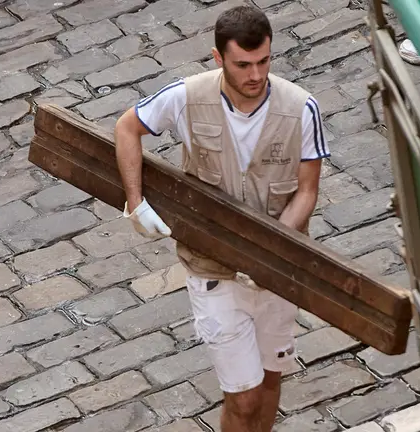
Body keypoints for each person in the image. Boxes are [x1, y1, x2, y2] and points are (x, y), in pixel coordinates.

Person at [113, 5, 330, 432]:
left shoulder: (301, 108)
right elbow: (126, 129)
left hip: (278, 274)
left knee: (270, 382)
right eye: (243, 65)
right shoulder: (187, 97)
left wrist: (268, 250)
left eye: (264, 61)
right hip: (213, 270)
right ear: (218, 59)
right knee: (243, 397)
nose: (255, 74)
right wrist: (136, 201)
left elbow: (307, 191)